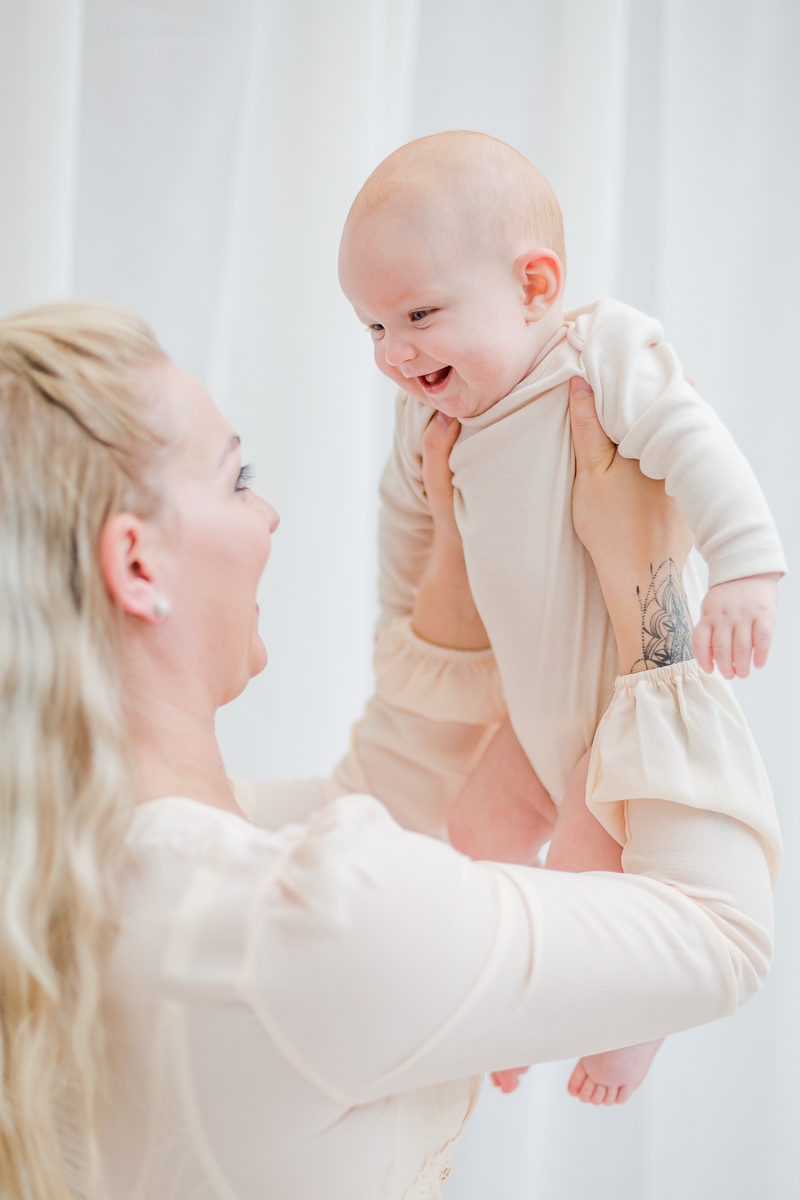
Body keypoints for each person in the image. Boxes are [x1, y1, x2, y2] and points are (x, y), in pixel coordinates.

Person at [0, 303, 776, 1200]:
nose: (271, 516)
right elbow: (720, 934)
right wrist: (651, 591)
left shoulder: (74, 861)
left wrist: (454, 560)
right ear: (136, 566)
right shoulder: (285, 923)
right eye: (237, 479)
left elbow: (387, 803)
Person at [337, 129, 785, 1100]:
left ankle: (628, 1035)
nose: (394, 351)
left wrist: (746, 565)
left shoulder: (596, 353)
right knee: (472, 838)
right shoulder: (431, 416)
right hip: (529, 715)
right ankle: (501, 1006)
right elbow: (401, 522)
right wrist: (399, 609)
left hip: (617, 701)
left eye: (417, 313)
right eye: (372, 328)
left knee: (588, 880)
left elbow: (691, 442)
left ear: (534, 286)